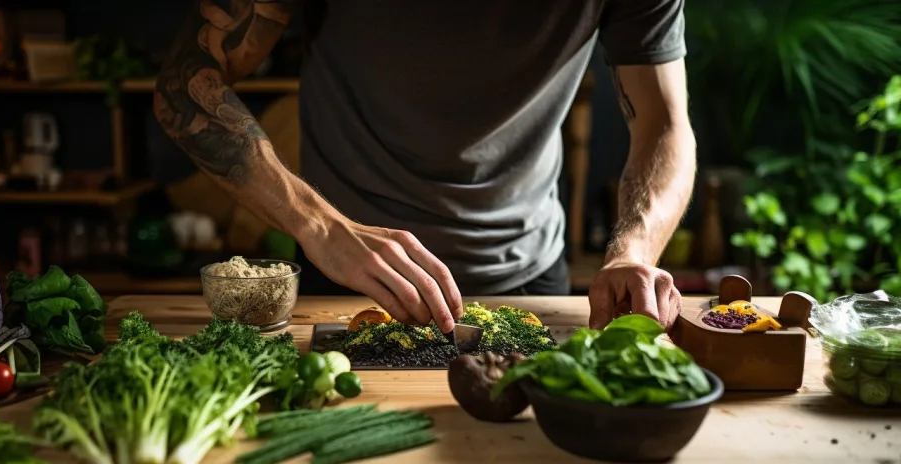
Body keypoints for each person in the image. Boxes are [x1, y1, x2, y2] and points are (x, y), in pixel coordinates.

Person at [154, 0, 694, 335]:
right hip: (349, 279)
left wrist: (633, 251)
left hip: (529, 277)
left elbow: (665, 123)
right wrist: (320, 226)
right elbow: (184, 83)